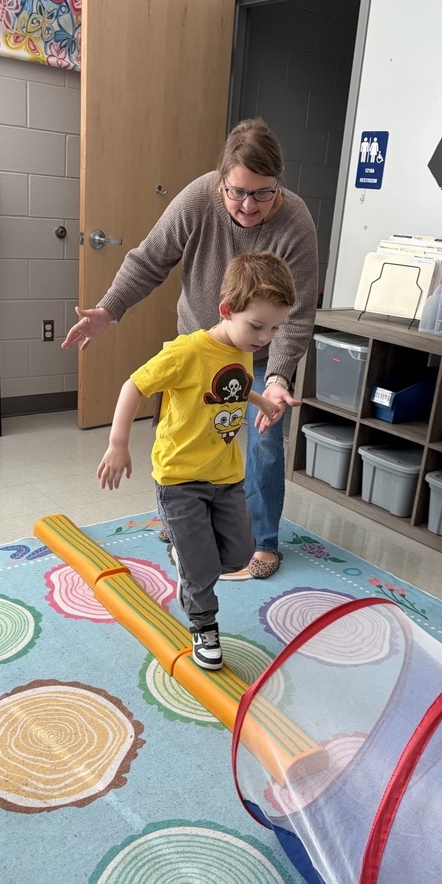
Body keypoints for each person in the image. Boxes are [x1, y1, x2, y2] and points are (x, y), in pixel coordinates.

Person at [63, 118, 319, 579]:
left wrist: (278, 379)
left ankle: (262, 542)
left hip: (258, 352)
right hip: (198, 342)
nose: (247, 205)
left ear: (278, 184)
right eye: (237, 191)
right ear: (221, 178)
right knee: (181, 431)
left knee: (261, 438)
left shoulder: (295, 221)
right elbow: (149, 259)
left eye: (262, 193)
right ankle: (180, 517)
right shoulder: (199, 198)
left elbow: (298, 312)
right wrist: (108, 308)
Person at [97, 251, 297, 671]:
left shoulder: (243, 346)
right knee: (203, 568)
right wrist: (118, 443)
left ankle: (186, 562)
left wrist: (261, 398)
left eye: (275, 328)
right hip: (181, 478)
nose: (264, 337)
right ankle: (204, 625)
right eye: (257, 326)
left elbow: (235, 386)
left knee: (240, 554)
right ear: (227, 311)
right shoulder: (187, 352)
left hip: (225, 476)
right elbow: (134, 385)